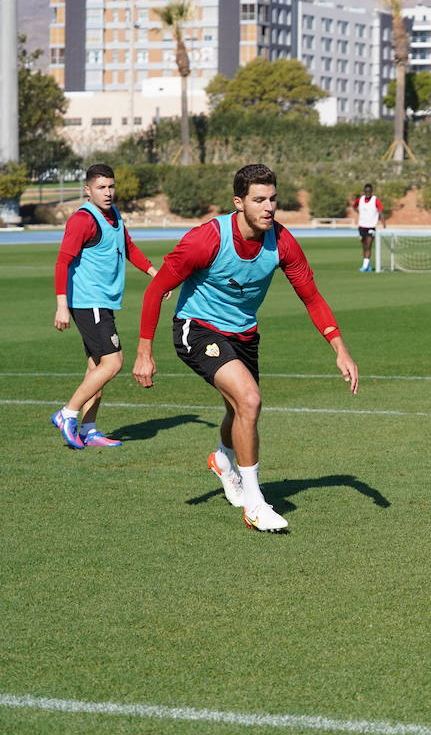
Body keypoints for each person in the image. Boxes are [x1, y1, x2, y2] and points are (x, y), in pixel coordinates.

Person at [132, 163, 360, 533]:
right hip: (198, 328)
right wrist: (145, 351)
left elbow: (312, 297)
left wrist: (339, 347)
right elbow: (157, 289)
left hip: (244, 335)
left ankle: (223, 459)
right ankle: (255, 503)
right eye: (259, 200)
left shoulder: (282, 242)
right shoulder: (205, 240)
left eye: (273, 199)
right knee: (250, 400)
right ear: (239, 202)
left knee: (239, 410)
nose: (268, 207)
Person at [50, 163, 158, 449]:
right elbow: (63, 262)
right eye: (101, 187)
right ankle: (67, 414)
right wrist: (62, 305)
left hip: (102, 302)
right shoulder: (83, 220)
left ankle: (89, 429)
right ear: (87, 190)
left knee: (96, 369)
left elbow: (129, 247)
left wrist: (154, 274)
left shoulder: (114, 215)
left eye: (111, 186)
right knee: (114, 362)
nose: (108, 192)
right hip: (89, 302)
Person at [352, 183, 385, 272]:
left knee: (368, 246)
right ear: (364, 191)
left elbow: (380, 212)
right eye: (366, 191)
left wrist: (384, 224)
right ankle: (368, 265)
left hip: (371, 226)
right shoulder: (360, 200)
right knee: (364, 246)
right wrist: (359, 212)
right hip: (362, 226)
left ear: (371, 191)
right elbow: (354, 206)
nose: (368, 193)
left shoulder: (375, 200)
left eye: (369, 191)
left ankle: (365, 266)